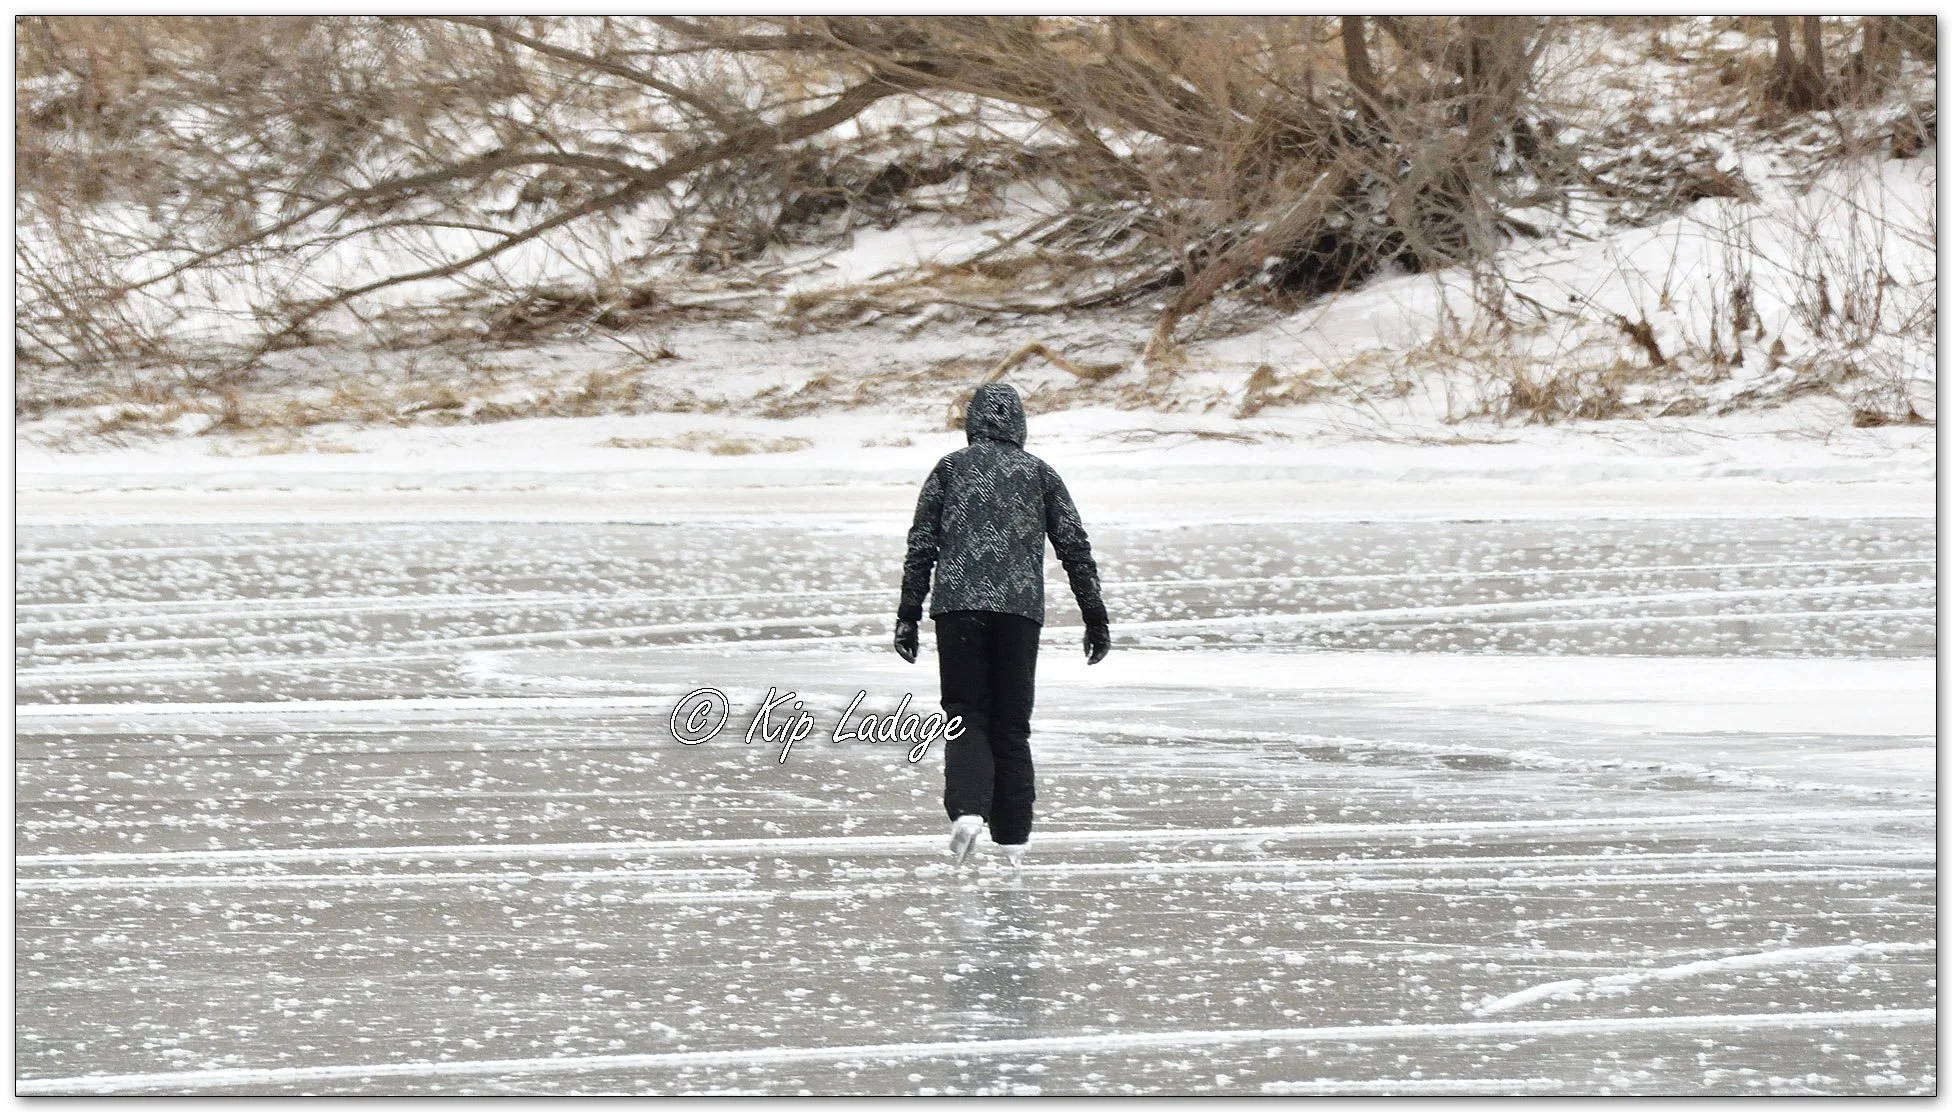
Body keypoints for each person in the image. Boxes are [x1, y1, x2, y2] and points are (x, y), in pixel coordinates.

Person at [893, 382, 1111, 871]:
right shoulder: (1040, 474)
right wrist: (1094, 618)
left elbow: (920, 546)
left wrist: (908, 614)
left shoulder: (949, 469)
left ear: (972, 422)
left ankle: (969, 811)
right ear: (1020, 425)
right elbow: (1075, 550)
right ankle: (1013, 840)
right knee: (1012, 726)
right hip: (1018, 613)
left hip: (957, 610)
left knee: (965, 713)